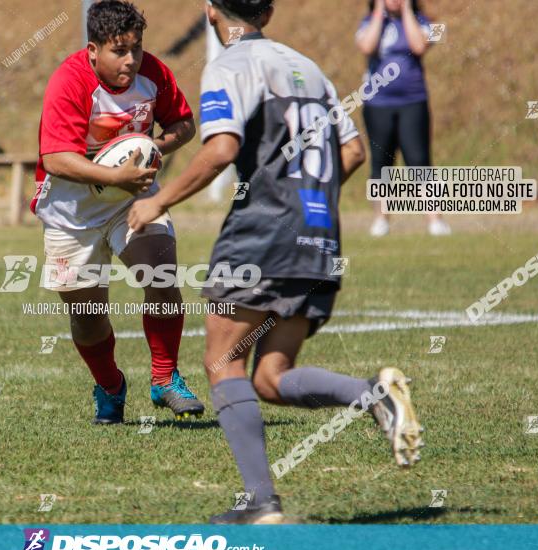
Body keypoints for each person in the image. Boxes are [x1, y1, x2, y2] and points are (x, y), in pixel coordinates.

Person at [128, 0, 424, 523]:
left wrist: (158, 200)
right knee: (269, 376)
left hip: (263, 231)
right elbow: (352, 152)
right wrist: (308, 201)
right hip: (320, 235)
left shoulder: (230, 62)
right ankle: (372, 395)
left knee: (222, 363)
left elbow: (221, 148)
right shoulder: (309, 68)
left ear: (211, 11)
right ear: (266, 10)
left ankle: (261, 502)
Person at [34, 0, 204, 424]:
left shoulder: (154, 74)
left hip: (135, 200)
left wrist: (152, 150)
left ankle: (164, 379)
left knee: (162, 277)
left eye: (137, 48)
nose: (131, 60)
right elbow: (55, 157)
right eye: (118, 50)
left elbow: (184, 125)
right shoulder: (69, 81)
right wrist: (115, 177)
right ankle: (110, 386)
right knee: (87, 319)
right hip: (72, 213)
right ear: (93, 50)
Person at [356, 0, 450, 237]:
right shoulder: (370, 22)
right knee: (381, 162)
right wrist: (379, 11)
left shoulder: (421, 22)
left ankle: (434, 220)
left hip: (413, 101)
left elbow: (419, 46)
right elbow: (367, 46)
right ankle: (381, 219)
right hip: (377, 103)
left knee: (420, 161)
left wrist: (407, 10)